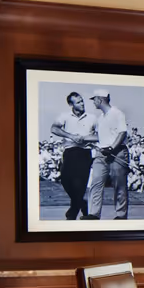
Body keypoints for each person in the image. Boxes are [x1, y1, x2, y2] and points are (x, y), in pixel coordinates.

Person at [47, 91, 96, 220]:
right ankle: (81, 203)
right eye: (78, 102)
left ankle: (72, 213)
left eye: (82, 101)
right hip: (69, 152)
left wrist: (85, 138)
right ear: (71, 104)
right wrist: (71, 136)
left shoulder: (92, 118)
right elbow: (54, 129)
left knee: (80, 184)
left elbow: (99, 136)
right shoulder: (64, 116)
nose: (82, 104)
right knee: (65, 180)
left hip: (84, 153)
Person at [86, 91, 132, 220]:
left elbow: (122, 133)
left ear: (100, 100)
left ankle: (121, 215)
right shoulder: (100, 117)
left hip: (117, 152)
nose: (93, 102)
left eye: (94, 99)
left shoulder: (117, 113)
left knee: (119, 185)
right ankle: (93, 214)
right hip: (102, 153)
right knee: (96, 182)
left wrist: (112, 147)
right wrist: (82, 138)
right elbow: (99, 137)